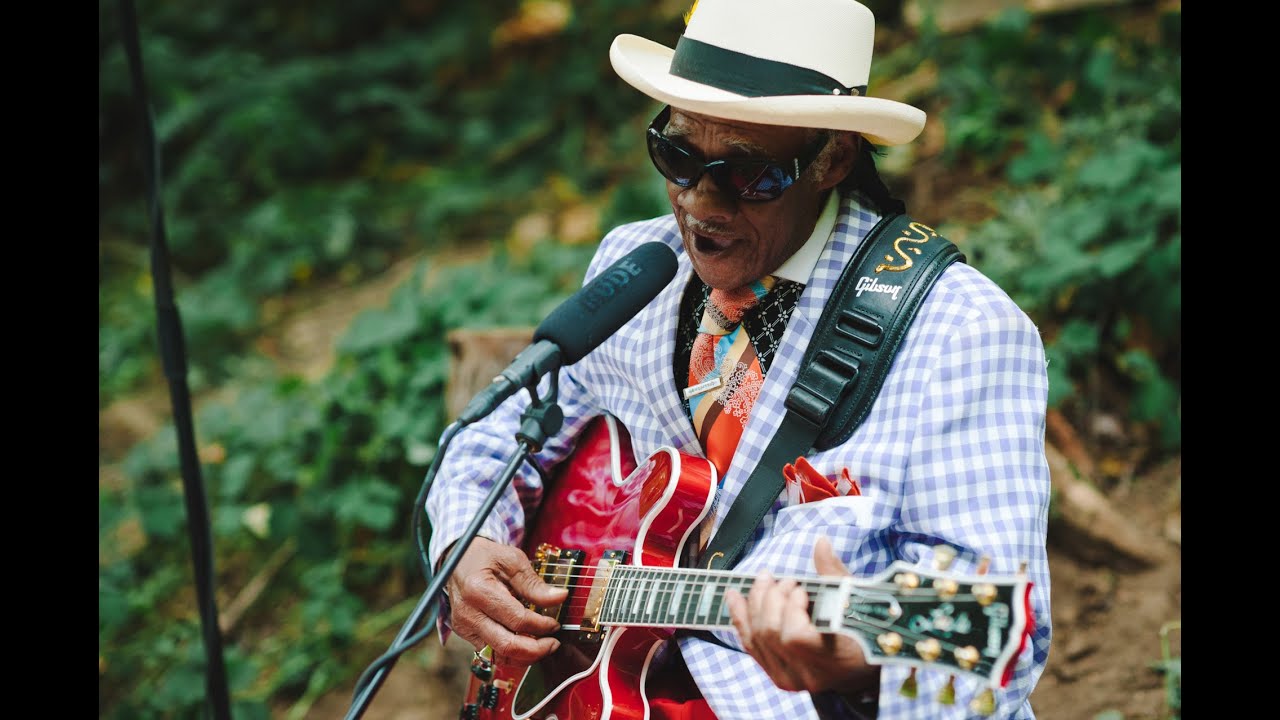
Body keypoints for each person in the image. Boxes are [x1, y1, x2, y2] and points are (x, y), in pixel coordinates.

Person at [424, 0, 1052, 718]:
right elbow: (499, 430)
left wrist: (861, 671)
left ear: (832, 157)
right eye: (678, 157)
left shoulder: (961, 332)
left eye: (748, 173)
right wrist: (466, 542)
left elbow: (1000, 640)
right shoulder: (634, 262)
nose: (700, 202)